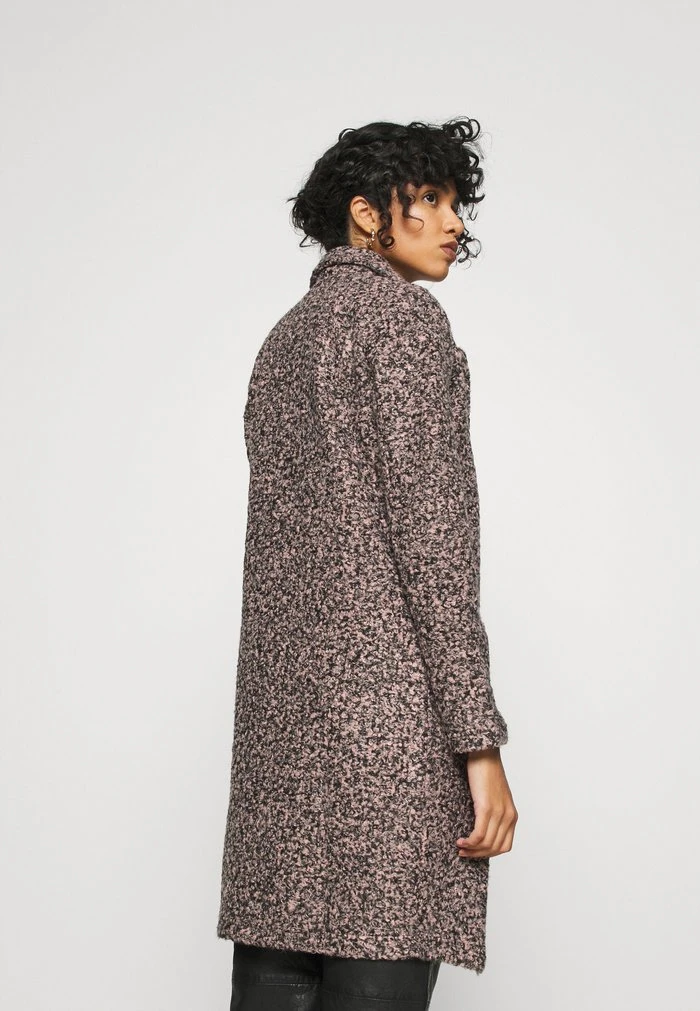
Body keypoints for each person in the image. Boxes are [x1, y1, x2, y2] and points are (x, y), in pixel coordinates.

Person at [217, 117, 518, 1011]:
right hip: (386, 752)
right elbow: (435, 551)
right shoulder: (406, 325)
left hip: (279, 758)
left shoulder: (284, 342)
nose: (453, 222)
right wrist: (479, 744)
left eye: (457, 204)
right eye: (429, 200)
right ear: (364, 213)